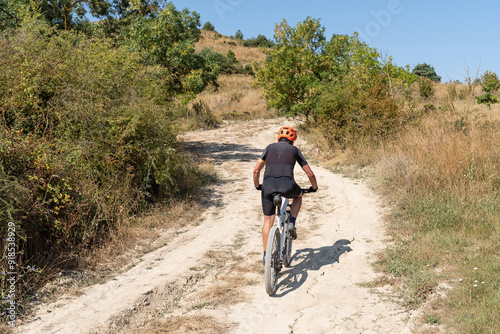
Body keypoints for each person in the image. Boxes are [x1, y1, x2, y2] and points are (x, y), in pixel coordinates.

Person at [253, 126, 318, 264]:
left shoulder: (268, 148)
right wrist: (314, 187)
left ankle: (266, 254)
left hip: (268, 187)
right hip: (288, 186)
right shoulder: (295, 150)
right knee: (298, 196)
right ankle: (292, 223)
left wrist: (257, 185)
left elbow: (256, 170)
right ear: (292, 141)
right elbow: (310, 173)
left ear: (278, 138)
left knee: (267, 222)